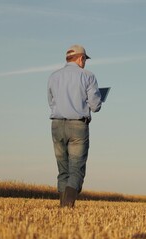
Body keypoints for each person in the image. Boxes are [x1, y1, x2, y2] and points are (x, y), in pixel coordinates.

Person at [47, 45, 102, 208]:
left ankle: (63, 208)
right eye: (85, 59)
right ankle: (67, 207)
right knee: (76, 169)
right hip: (78, 125)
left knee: (62, 169)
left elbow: (51, 102)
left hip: (56, 125)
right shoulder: (88, 76)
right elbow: (95, 106)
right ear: (81, 58)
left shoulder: (53, 76)